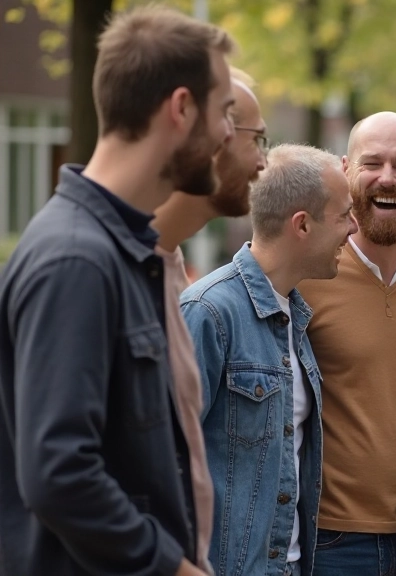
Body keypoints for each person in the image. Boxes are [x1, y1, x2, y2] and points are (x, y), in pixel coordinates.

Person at [0, 6, 235, 576]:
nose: (229, 133)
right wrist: (170, 567)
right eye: (224, 111)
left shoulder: (121, 249)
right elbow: (59, 473)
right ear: (181, 108)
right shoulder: (77, 260)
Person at [181, 144, 358, 575]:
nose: (354, 228)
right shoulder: (208, 313)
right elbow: (164, 464)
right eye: (343, 216)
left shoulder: (293, 315)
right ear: (302, 225)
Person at [299, 112, 396, 576]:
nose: (388, 178)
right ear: (346, 170)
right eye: (372, 163)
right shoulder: (306, 273)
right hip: (324, 537)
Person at [150, 66, 268, 575]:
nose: (265, 163)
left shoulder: (170, 268)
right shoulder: (86, 265)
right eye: (256, 139)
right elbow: (63, 473)